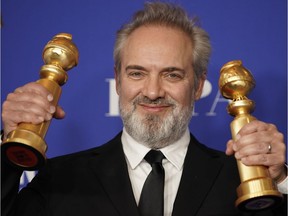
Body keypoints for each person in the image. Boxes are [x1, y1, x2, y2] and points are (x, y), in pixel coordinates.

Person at [1, 2, 287, 216]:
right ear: (118, 81)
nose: (152, 92)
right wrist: (7, 147)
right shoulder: (60, 179)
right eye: (137, 73)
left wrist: (281, 180)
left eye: (172, 74)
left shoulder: (244, 181)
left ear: (198, 86)